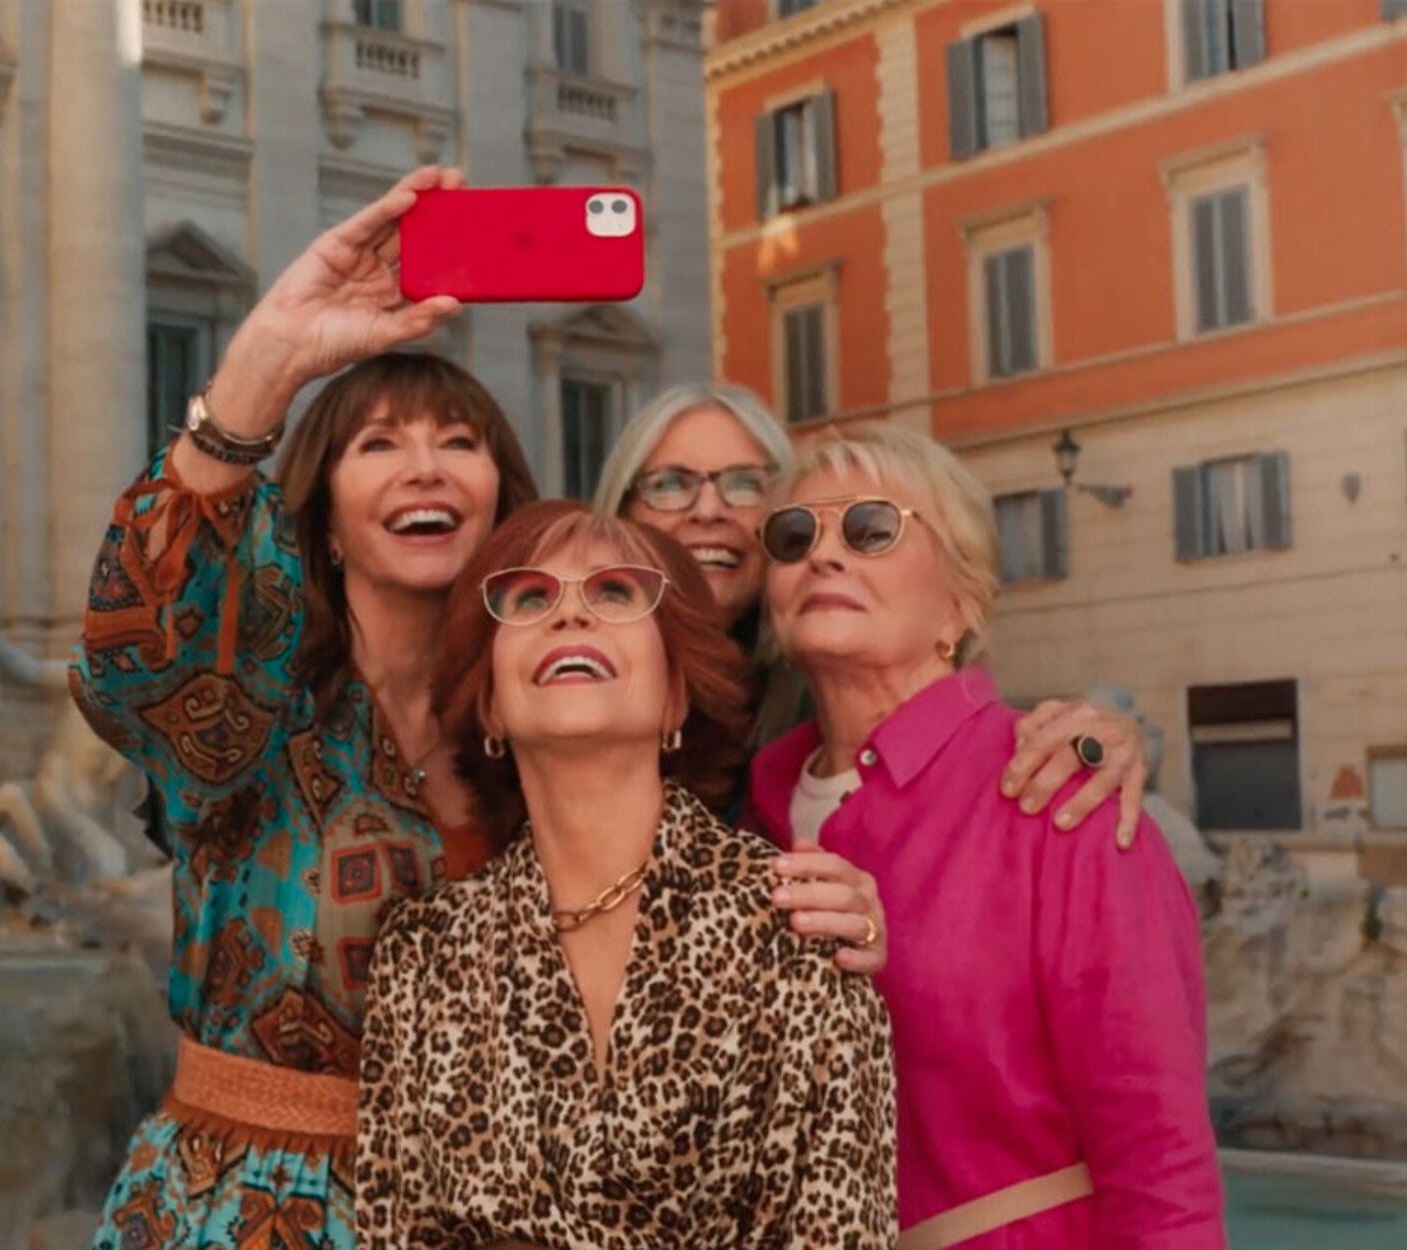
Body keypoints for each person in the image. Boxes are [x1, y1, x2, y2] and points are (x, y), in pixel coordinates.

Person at [70, 168, 884, 1250]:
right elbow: (138, 648)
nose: (425, 465)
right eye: (379, 442)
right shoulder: (254, 709)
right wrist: (268, 361)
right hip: (238, 1209)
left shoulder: (544, 737)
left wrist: (853, 904)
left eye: (457, 441)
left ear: (503, 495)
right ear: (323, 509)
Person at [356, 501, 895, 1248]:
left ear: (676, 691)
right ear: (489, 704)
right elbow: (397, 1229)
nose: (571, 614)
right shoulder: (421, 954)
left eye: (614, 591)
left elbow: (838, 1231)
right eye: (530, 598)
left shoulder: (797, 924)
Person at [744, 424, 1224, 1248]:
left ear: (961, 600)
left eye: (870, 528)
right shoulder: (755, 816)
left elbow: (1159, 1155)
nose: (824, 555)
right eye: (795, 535)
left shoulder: (1055, 794)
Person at [591, 385, 1153, 846]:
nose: (707, 509)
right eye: (668, 484)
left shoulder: (822, 713)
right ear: (618, 515)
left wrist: (1108, 736)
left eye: (745, 484)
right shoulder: (560, 686)